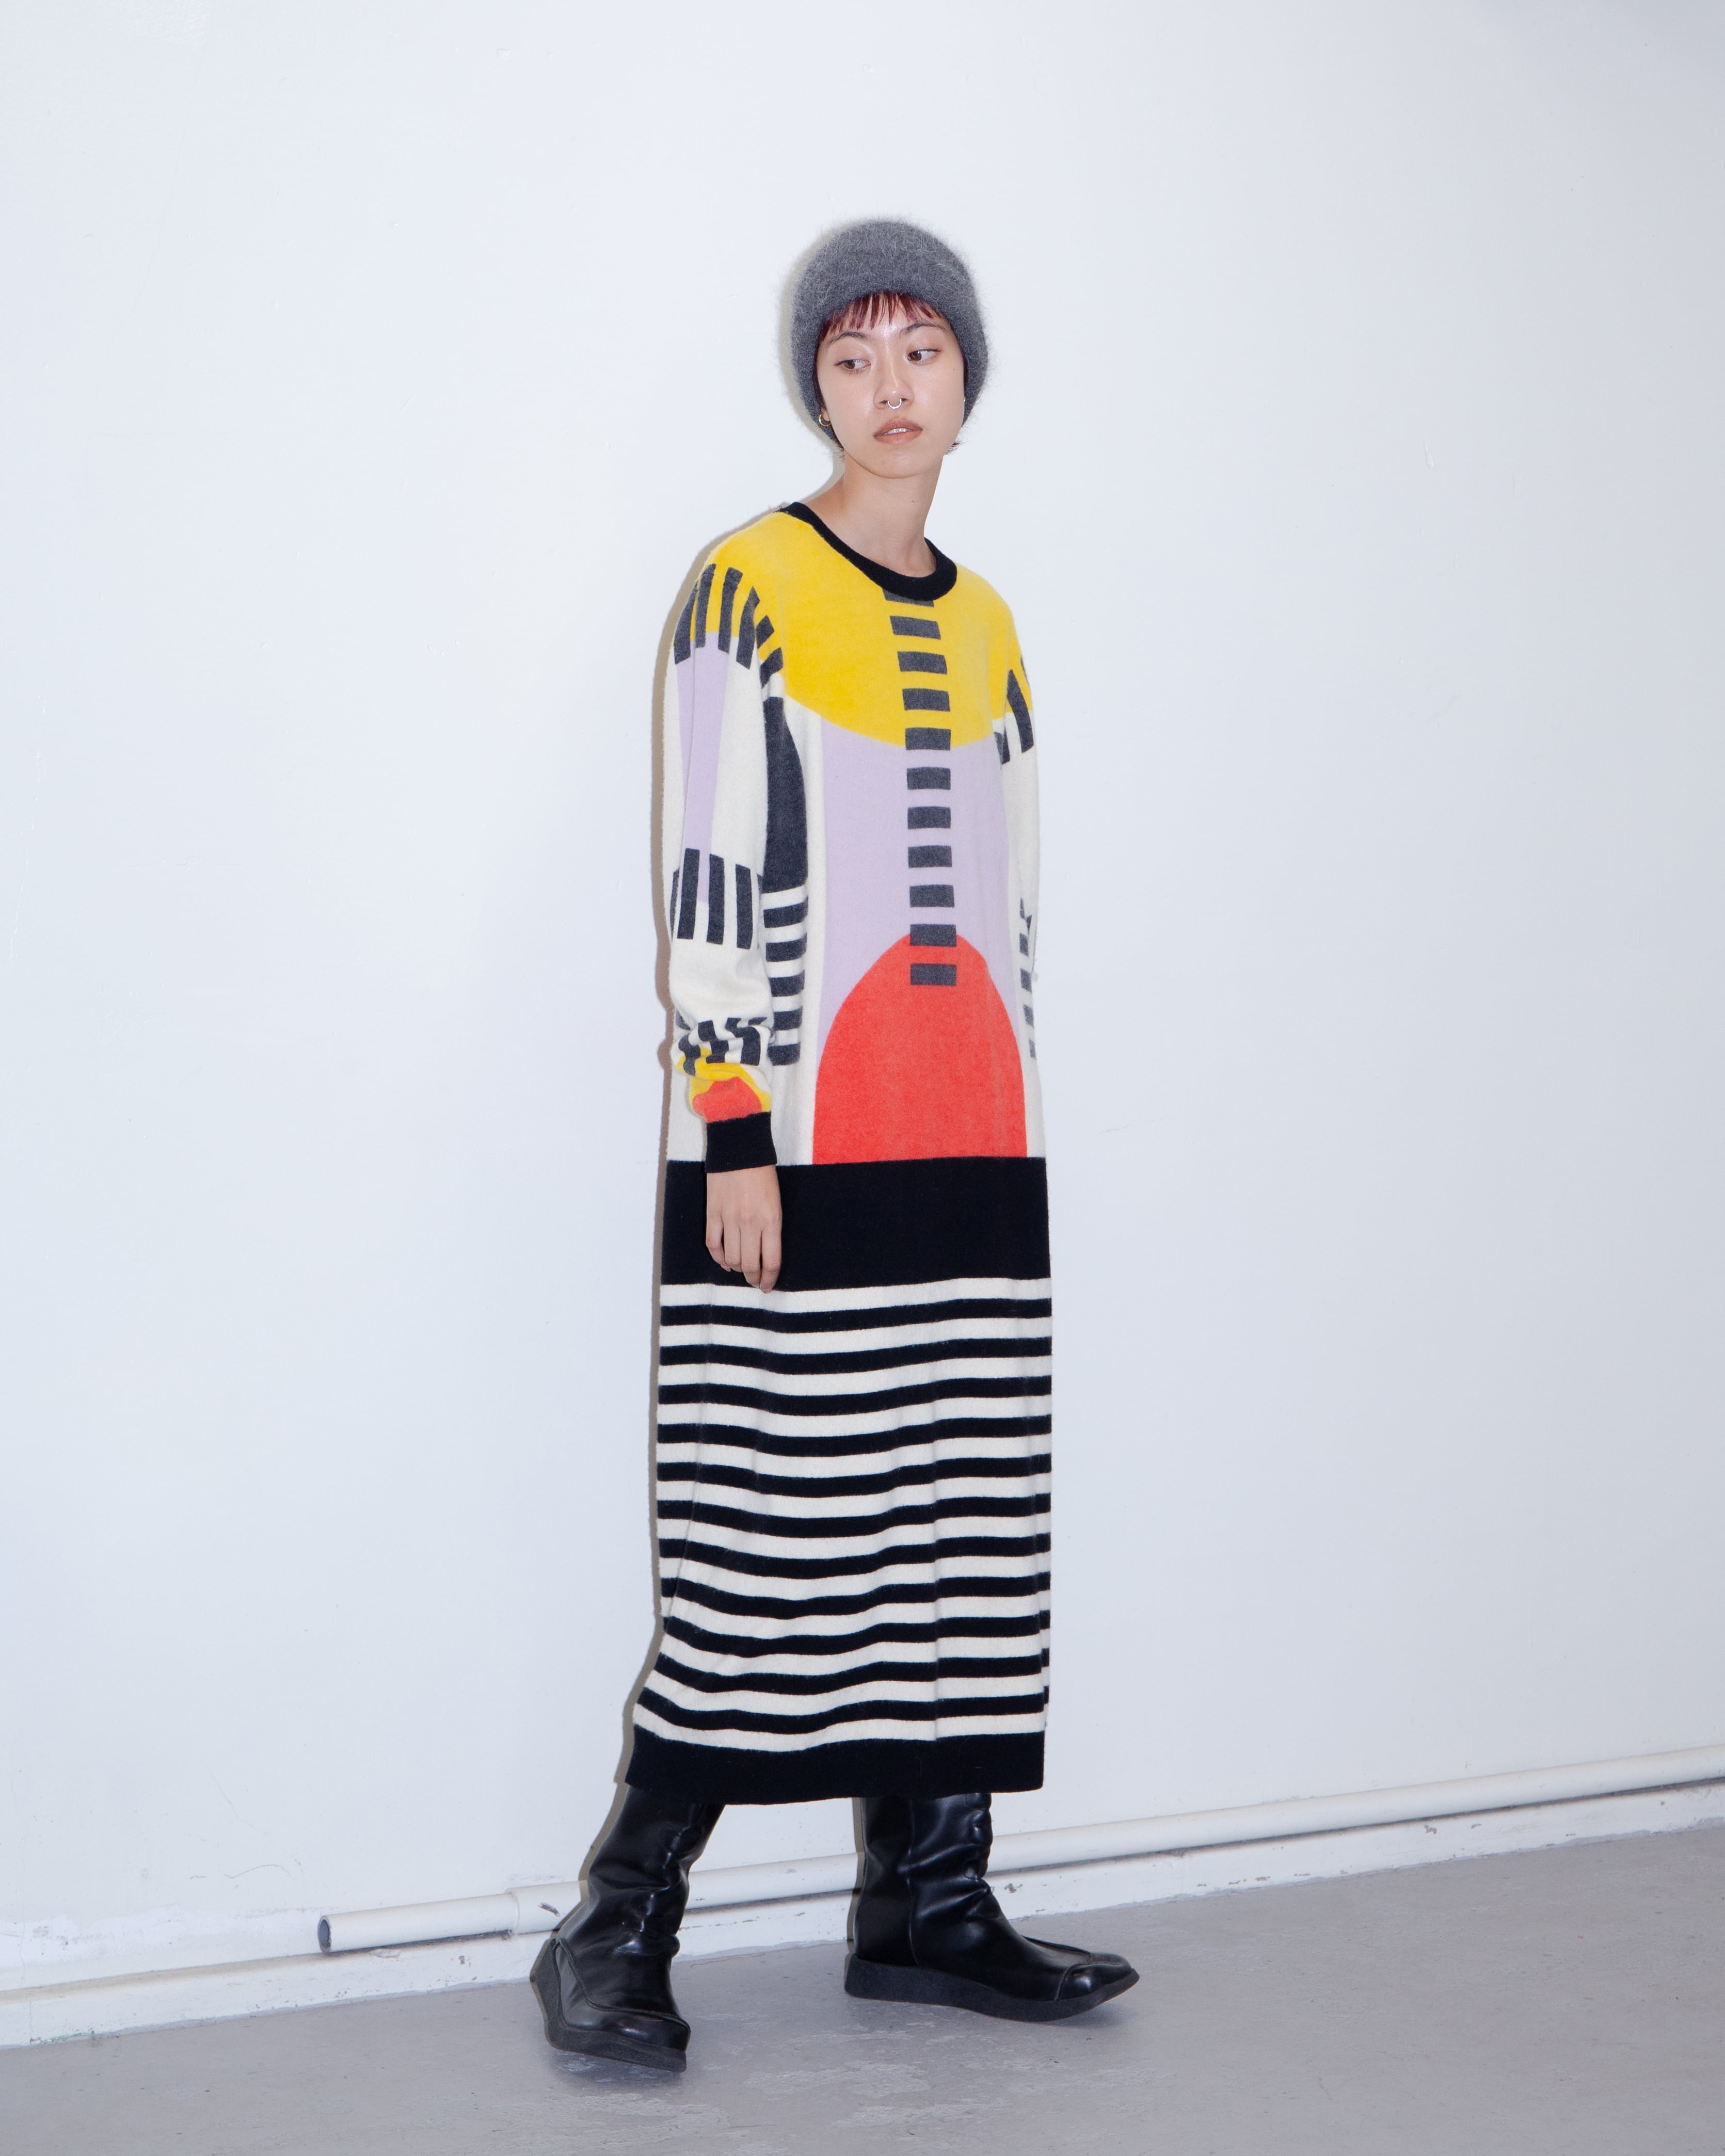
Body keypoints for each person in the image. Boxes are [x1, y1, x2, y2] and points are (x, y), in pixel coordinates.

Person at [531, 219, 1138, 2072]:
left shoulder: (993, 619)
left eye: (921, 352)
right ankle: (614, 1919)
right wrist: (733, 1119)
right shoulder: (751, 584)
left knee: (963, 1519)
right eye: (856, 355)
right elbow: (709, 862)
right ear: (818, 385)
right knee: (767, 1536)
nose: (891, 388)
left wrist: (1014, 1103)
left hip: (977, 1131)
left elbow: (1016, 897)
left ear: (967, 382)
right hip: (790, 1145)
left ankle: (931, 1903)